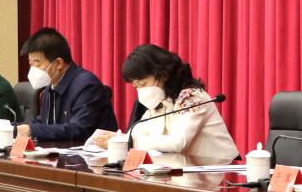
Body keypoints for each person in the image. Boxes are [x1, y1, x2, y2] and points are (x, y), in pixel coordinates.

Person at [93, 44, 238, 160]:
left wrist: (129, 141)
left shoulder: (191, 97)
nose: (140, 91)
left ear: (163, 75)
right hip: (183, 169)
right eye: (135, 87)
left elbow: (178, 142)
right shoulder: (160, 99)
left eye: (143, 84)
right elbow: (138, 131)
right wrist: (119, 139)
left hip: (219, 170)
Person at [14, 27, 117, 141]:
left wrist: (32, 130)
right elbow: (44, 122)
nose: (33, 69)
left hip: (91, 151)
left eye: (37, 64)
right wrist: (10, 127)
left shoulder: (86, 86)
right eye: (31, 64)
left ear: (58, 63)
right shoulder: (50, 87)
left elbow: (78, 130)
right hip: (60, 150)